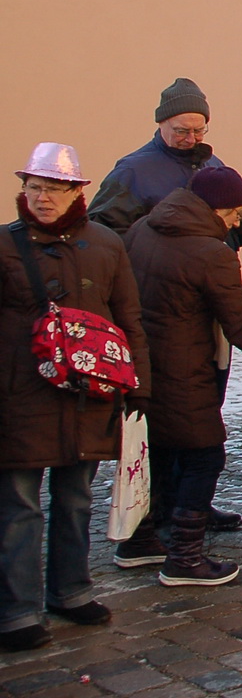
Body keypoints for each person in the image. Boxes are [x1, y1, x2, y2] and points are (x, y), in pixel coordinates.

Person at [0, 144, 151, 652]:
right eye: (34, 187)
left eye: (54, 188)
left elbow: (129, 317)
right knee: (19, 504)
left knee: (75, 498)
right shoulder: (4, 246)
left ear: (76, 192)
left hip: (91, 395)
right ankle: (18, 610)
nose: (42, 197)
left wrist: (139, 387)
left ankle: (70, 589)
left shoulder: (107, 245)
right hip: (21, 396)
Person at [125, 167, 242, 586]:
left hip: (141, 364)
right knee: (204, 455)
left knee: (156, 449)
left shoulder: (143, 228)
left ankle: (140, 538)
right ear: (218, 209)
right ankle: (184, 556)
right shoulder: (210, 252)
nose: (236, 225)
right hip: (186, 369)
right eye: (234, 216)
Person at [89, 78, 231, 237]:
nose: (191, 139)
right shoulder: (133, 171)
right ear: (161, 123)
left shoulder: (213, 164)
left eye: (198, 131)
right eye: (182, 131)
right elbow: (101, 232)